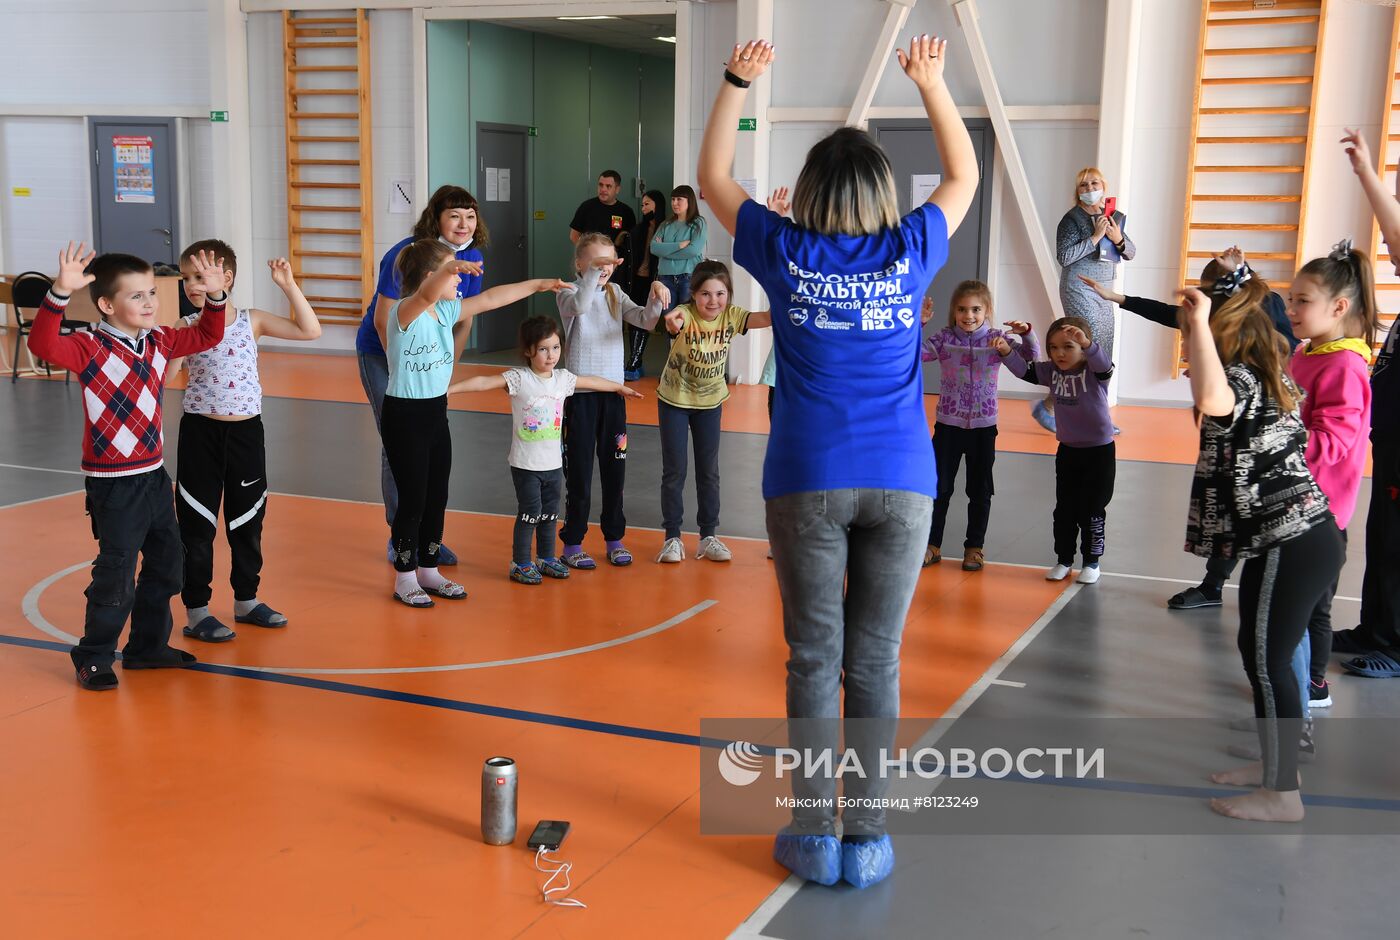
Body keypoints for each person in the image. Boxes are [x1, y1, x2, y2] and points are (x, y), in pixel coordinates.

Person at [701, 35, 979, 888]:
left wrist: (737, 82)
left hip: (805, 477)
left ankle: (814, 834)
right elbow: (963, 176)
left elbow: (715, 177)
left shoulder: (785, 250)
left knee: (815, 657)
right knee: (878, 661)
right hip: (902, 480)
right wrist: (933, 85)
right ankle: (869, 840)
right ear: (884, 194)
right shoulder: (911, 247)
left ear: (814, 191)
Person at [27, 243, 229, 690]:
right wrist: (59, 292)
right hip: (113, 485)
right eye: (136, 296)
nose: (150, 303)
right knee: (117, 573)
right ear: (106, 304)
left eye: (153, 292)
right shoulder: (89, 346)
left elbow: (208, 335)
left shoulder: (160, 340)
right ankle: (94, 654)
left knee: (167, 564)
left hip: (154, 476)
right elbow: (41, 343)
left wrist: (216, 299)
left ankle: (147, 647)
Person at [1177, 281, 1343, 823]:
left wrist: (1199, 323)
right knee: (1260, 653)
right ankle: (1274, 768)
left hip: (1289, 539)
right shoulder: (1271, 379)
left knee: (1269, 664)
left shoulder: (1244, 380)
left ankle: (1282, 794)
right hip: (1300, 537)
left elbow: (1210, 398)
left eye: (1195, 341)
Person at [1077, 246, 1298, 610]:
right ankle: (1214, 585)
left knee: (1258, 507)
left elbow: (1277, 343)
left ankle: (1273, 592)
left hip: (1261, 424)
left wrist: (1220, 375)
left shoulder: (1263, 310)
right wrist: (1116, 297)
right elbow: (1171, 315)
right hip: (1233, 423)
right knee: (1232, 500)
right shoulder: (1221, 319)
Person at [381, 241, 566, 608]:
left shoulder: (447, 312)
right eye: (451, 273)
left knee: (437, 497)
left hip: (435, 412)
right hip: (404, 415)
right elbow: (425, 294)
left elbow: (493, 298)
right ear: (431, 276)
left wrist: (537, 285)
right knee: (413, 499)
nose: (459, 282)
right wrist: (450, 269)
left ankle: (429, 570)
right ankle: (405, 576)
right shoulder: (405, 312)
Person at [172, 240, 323, 643]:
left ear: (228, 279)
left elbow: (310, 331)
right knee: (198, 524)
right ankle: (197, 609)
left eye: (201, 276)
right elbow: (166, 379)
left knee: (247, 521)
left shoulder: (251, 321)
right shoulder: (186, 328)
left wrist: (289, 285)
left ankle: (246, 600)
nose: (192, 284)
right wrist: (165, 350)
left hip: (245, 434)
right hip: (200, 434)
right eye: (187, 277)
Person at [447, 316, 642, 584]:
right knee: (530, 514)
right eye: (543, 349)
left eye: (555, 348)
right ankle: (521, 562)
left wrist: (619, 388)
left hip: (553, 465)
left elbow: (591, 381)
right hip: (526, 465)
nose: (551, 355)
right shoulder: (519, 378)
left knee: (550, 514)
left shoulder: (562, 379)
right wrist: (448, 391)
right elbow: (483, 382)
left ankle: (547, 557)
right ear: (528, 350)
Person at [357, 184, 488, 567]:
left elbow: (462, 319)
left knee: (429, 447)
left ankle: (426, 536)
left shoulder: (473, 258)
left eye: (470, 215)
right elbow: (384, 319)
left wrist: (445, 368)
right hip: (382, 351)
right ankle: (401, 535)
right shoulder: (407, 254)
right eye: (454, 215)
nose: (463, 223)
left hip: (428, 353)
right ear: (436, 218)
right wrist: (402, 363)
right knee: (395, 440)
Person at [1286, 240, 1378, 709]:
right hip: (1293, 504)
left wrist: (1277, 435)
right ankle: (1293, 689)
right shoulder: (1307, 352)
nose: (1293, 308)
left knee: (1311, 613)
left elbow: (1333, 443)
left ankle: (1312, 688)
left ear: (1339, 307)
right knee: (1290, 615)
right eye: (1291, 298)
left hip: (1319, 514)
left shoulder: (1344, 365)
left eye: (1303, 300)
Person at [555, 233, 672, 570]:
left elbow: (647, 321)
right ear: (580, 265)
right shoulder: (567, 291)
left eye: (609, 262)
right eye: (597, 262)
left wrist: (655, 295)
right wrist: (595, 271)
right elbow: (580, 305)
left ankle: (614, 537)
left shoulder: (616, 294)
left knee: (614, 471)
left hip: (613, 400)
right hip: (579, 399)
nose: (605, 269)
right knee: (578, 473)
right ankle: (573, 542)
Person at [1332, 129, 1400, 678]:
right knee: (1382, 539)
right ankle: (1373, 627)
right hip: (1391, 449)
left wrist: (1366, 175)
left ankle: (1395, 646)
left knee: (1399, 548)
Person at [653, 260, 771, 564]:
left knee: (709, 471)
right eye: (706, 294)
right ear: (693, 294)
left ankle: (708, 536)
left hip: (710, 403)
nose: (713, 301)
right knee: (674, 471)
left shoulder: (731, 316)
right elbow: (672, 319)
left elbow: (766, 318)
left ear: (728, 295)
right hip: (674, 401)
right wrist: (672, 320)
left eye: (720, 294)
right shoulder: (685, 314)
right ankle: (672, 538)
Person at [921, 280, 1037, 571]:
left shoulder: (997, 340)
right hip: (948, 425)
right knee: (940, 488)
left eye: (975, 309)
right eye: (962, 309)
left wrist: (1026, 336)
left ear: (987, 310)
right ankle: (931, 545)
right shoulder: (945, 339)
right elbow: (914, 354)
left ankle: (974, 548)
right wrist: (918, 325)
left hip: (984, 428)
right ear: (953, 311)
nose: (968, 315)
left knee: (980, 490)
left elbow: (1028, 361)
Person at [998, 318, 1115, 583]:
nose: (1060, 353)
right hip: (1069, 451)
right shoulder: (1052, 371)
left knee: (1093, 509)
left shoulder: (1094, 372)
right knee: (1064, 510)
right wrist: (1006, 352)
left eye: (1069, 347)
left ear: (1083, 348)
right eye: (1053, 347)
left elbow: (1104, 364)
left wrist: (1088, 344)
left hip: (1099, 452)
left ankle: (1092, 562)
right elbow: (1025, 371)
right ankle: (1063, 559)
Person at [1035, 168, 1135, 434]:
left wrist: (1118, 239)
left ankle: (1093, 413)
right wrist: (1095, 238)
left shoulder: (1114, 217)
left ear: (1104, 185)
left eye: (1094, 183)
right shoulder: (1071, 219)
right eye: (1084, 184)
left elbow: (1131, 252)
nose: (1090, 188)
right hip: (1078, 288)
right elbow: (1065, 257)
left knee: (1103, 355)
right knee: (1084, 350)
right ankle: (1053, 407)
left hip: (1104, 291)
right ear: (1077, 190)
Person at [623, 189, 667, 380]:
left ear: (657, 205)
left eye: (647, 204)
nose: (643, 208)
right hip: (638, 280)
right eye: (642, 204)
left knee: (653, 320)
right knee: (636, 319)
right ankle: (634, 361)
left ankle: (635, 362)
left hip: (657, 282)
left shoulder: (666, 228)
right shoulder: (638, 229)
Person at [569, 170, 636, 292]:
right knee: (587, 297)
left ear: (617, 189)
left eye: (608, 186)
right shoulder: (587, 207)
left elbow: (630, 242)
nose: (603, 189)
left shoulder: (626, 211)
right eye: (600, 185)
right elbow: (574, 235)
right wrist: (586, 255)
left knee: (612, 299)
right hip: (590, 265)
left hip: (614, 267)